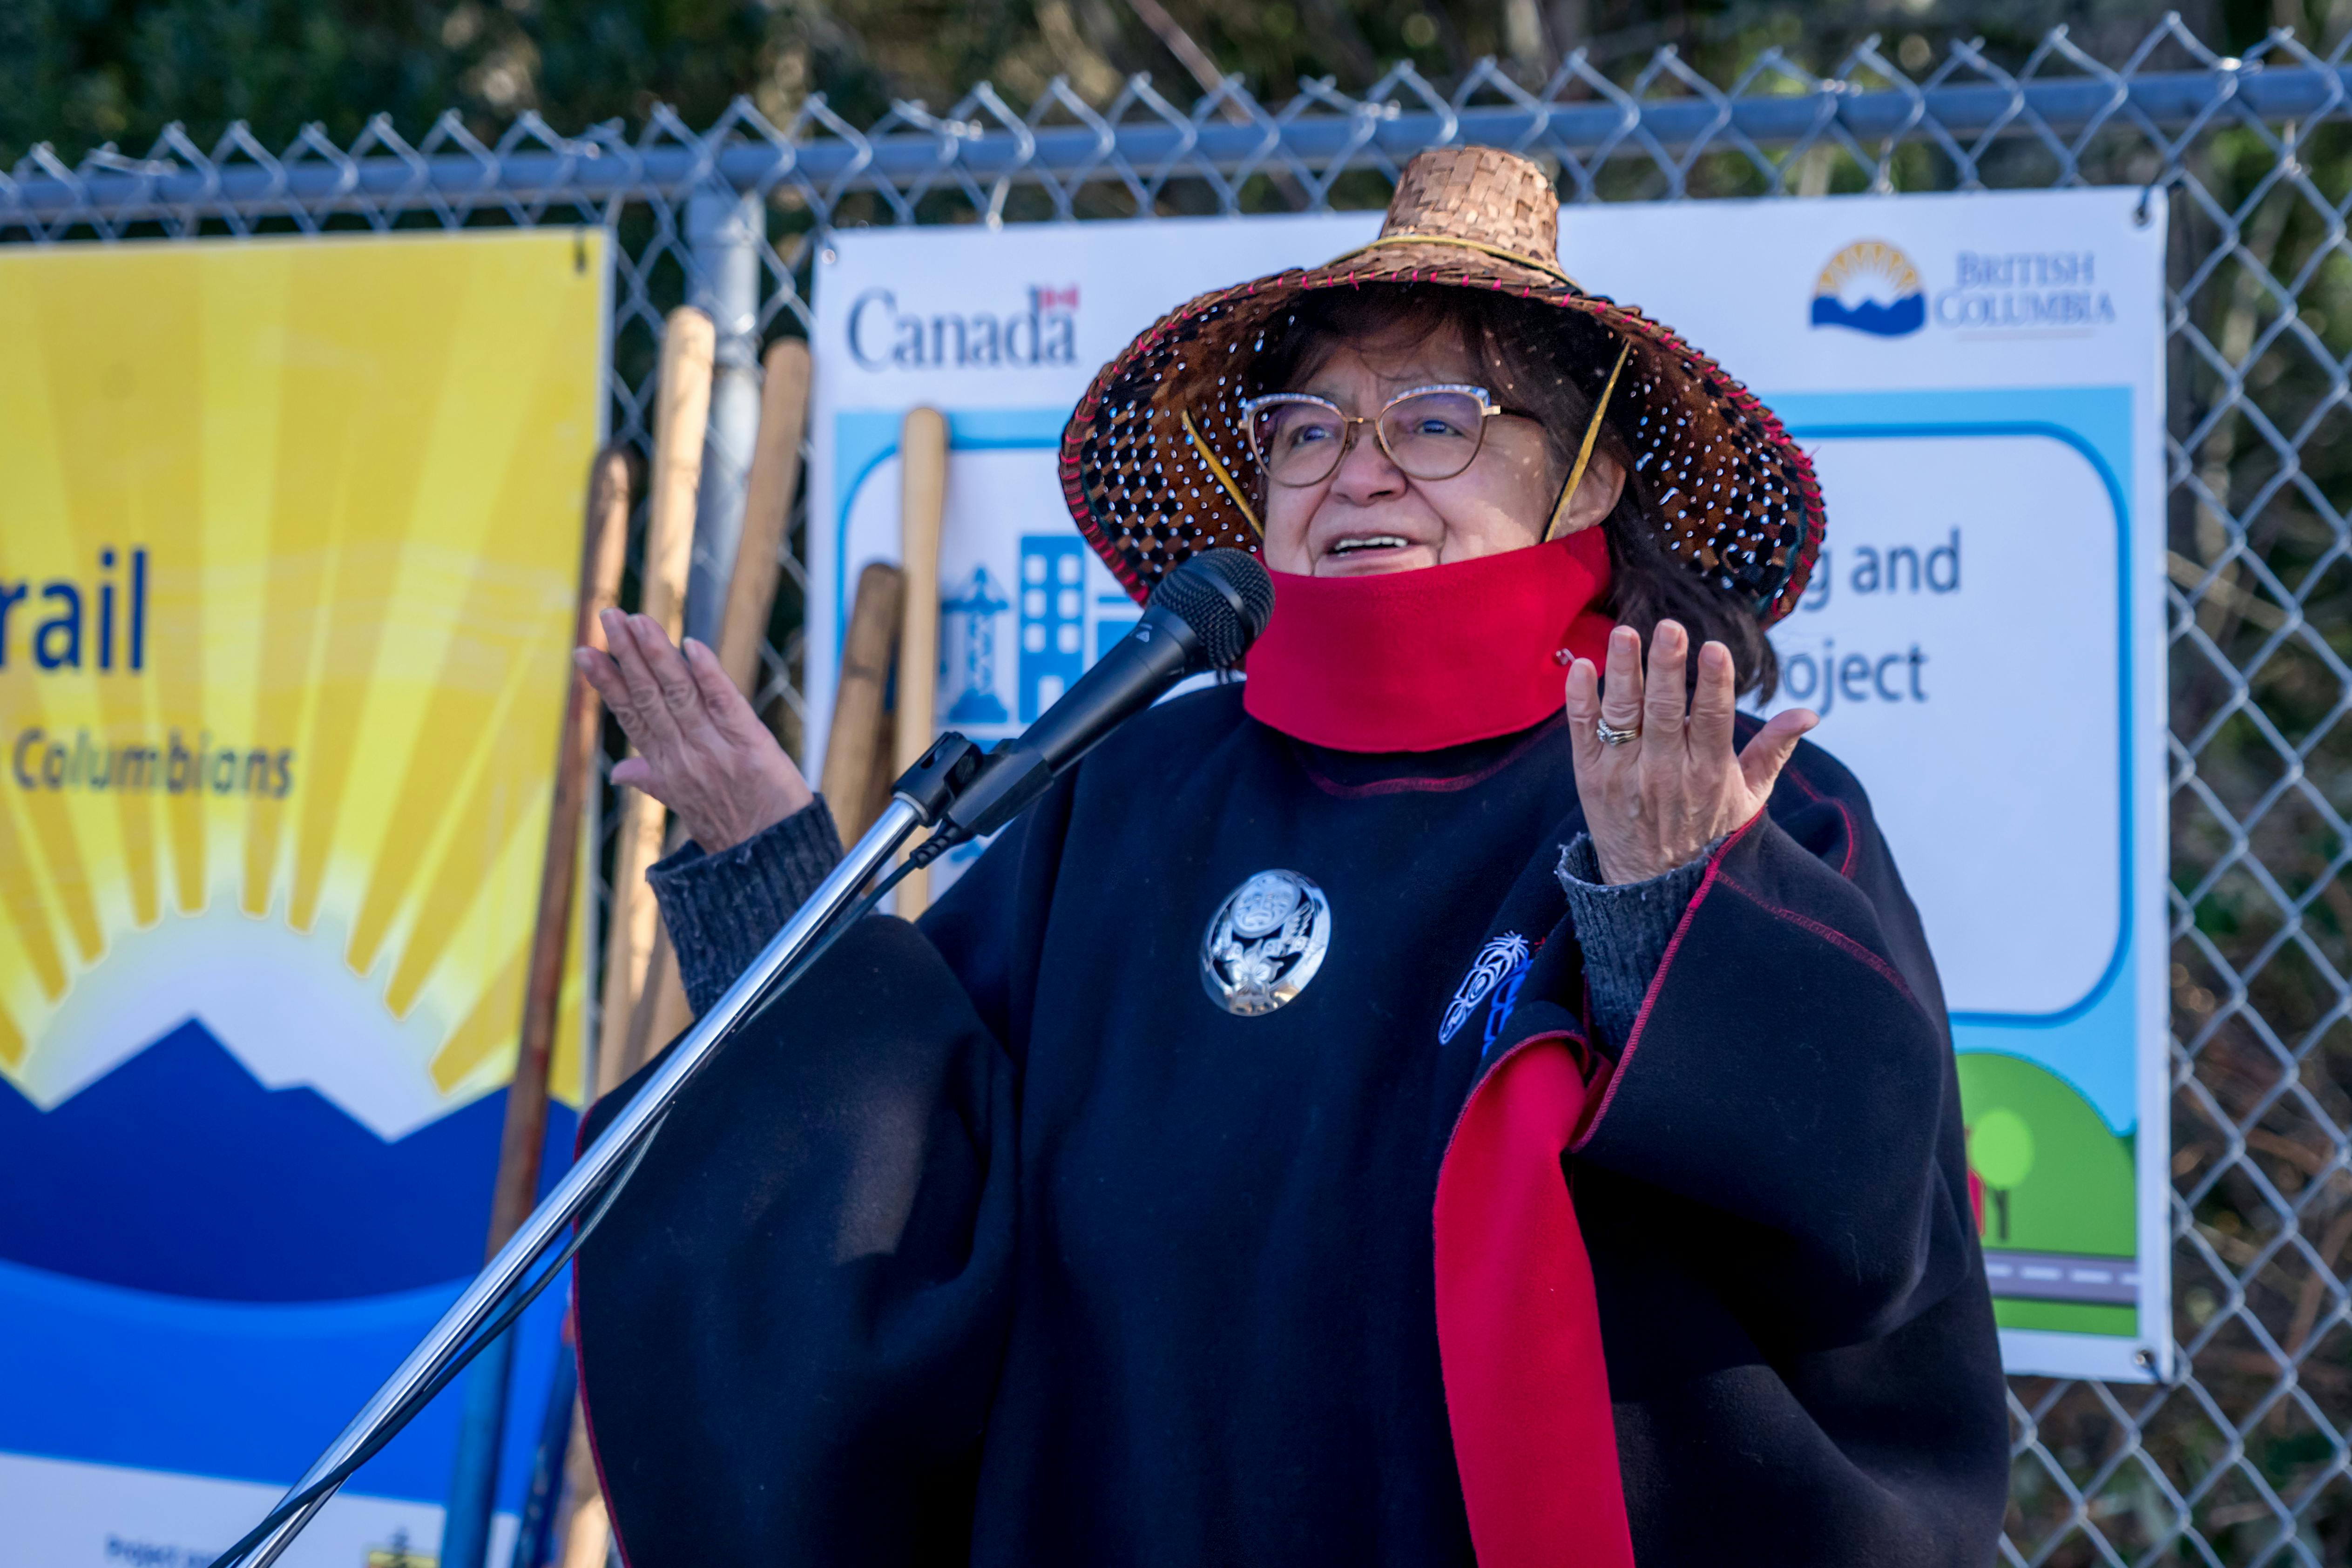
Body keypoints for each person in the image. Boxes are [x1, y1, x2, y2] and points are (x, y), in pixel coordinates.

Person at [569, 147, 2008, 1568]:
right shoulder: (1124, 786)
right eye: (1306, 430)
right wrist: (778, 884)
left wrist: (1667, 916)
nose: (1355, 472)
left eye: (1435, 422)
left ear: (1585, 478)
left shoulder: (1731, 796)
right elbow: (925, 1182)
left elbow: (1862, 1238)